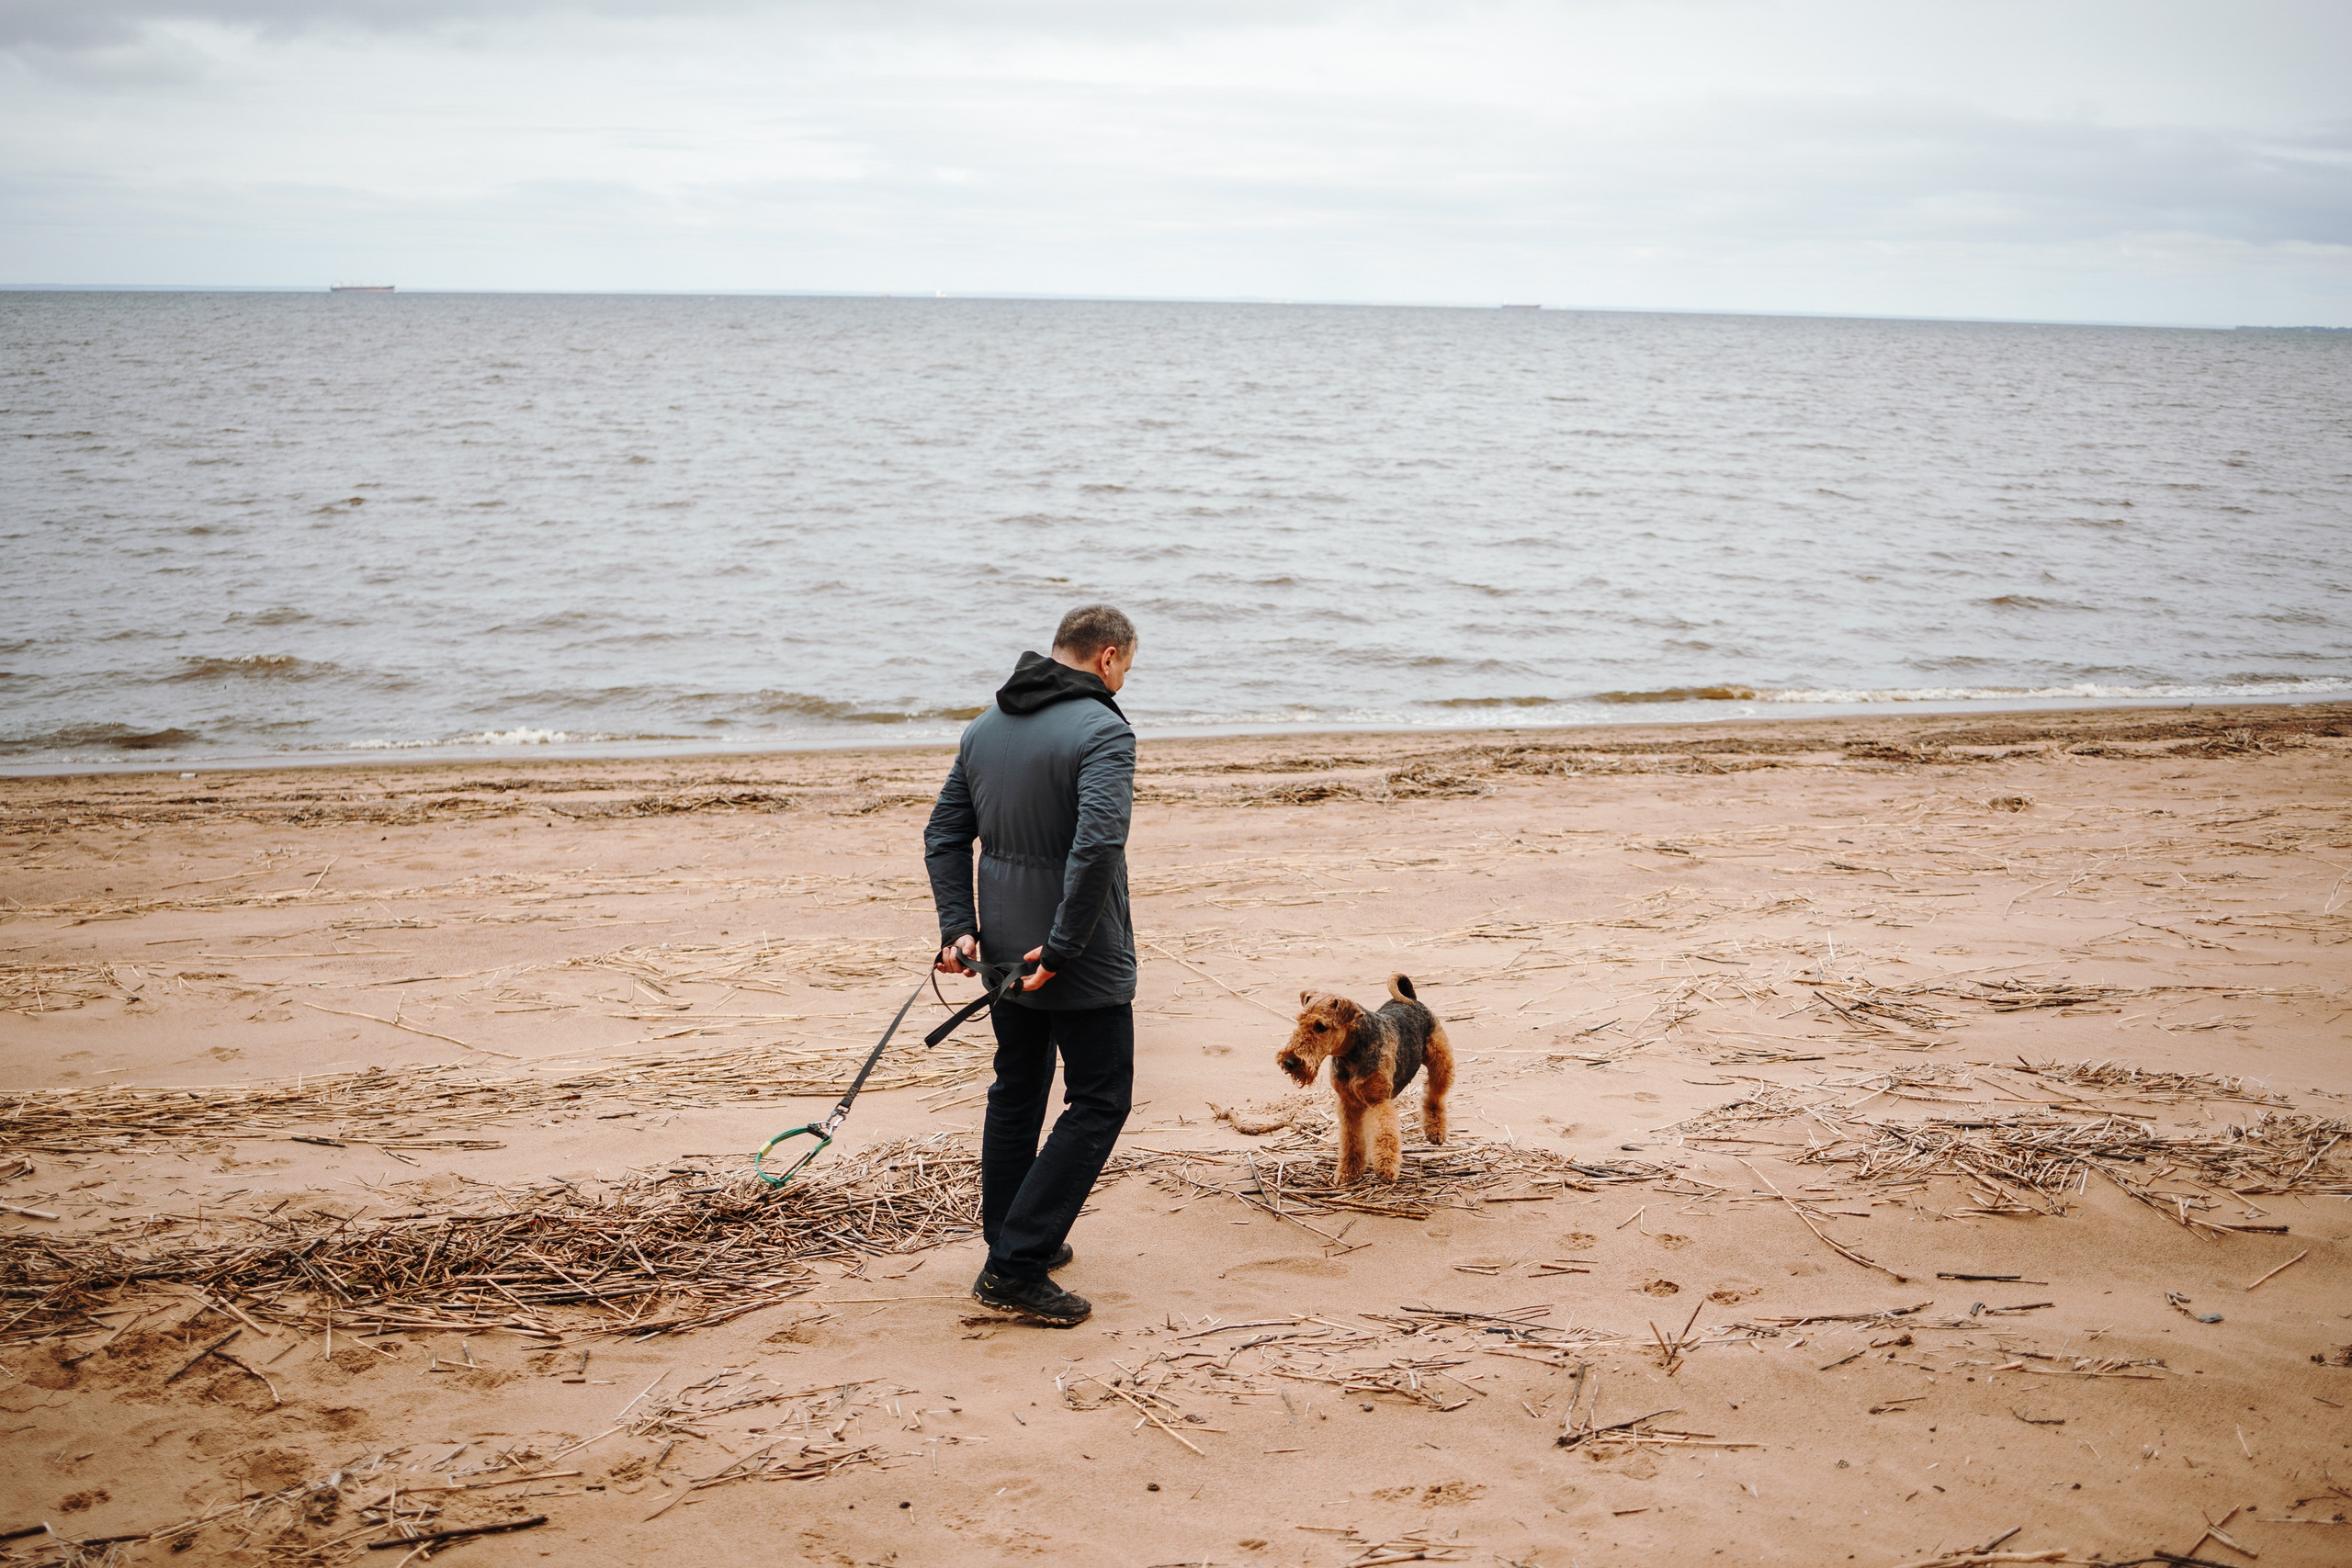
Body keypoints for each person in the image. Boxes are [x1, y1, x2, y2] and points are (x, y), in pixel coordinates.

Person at [923, 604, 1139, 1326]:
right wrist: (1068, 944)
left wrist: (960, 929)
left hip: (1004, 953)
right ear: (1108, 657)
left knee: (1018, 1089)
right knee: (1101, 1098)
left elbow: (944, 834)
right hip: (1068, 955)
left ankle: (1013, 1239)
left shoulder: (985, 728)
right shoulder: (1104, 730)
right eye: (1128, 666)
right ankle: (1014, 1265)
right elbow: (1098, 846)